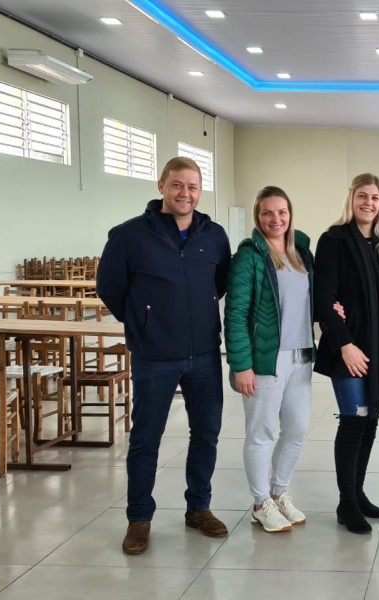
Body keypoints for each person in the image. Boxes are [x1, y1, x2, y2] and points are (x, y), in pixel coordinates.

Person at [96, 156, 232, 555]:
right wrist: (144, 323)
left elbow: (219, 283)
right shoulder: (129, 235)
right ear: (161, 186)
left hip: (204, 353)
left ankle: (199, 508)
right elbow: (109, 287)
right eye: (177, 185)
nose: (184, 193)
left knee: (206, 434)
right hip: (154, 356)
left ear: (200, 191)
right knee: (146, 439)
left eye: (192, 186)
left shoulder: (214, 236)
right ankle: (139, 518)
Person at [313, 173, 379, 534]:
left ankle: (358, 492)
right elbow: (323, 299)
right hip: (347, 348)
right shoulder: (333, 239)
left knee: (370, 421)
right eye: (362, 196)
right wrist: (346, 345)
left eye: (375, 197)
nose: (369, 203)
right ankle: (346, 503)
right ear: (351, 198)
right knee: (353, 422)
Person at [224, 186, 315, 533]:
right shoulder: (248, 257)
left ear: (290, 214)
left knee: (296, 430)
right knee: (261, 433)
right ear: (257, 216)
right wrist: (241, 365)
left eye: (282, 212)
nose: (275, 219)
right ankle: (261, 502)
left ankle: (279, 493)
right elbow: (235, 313)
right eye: (267, 213)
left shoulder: (301, 253)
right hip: (265, 359)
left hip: (300, 357)